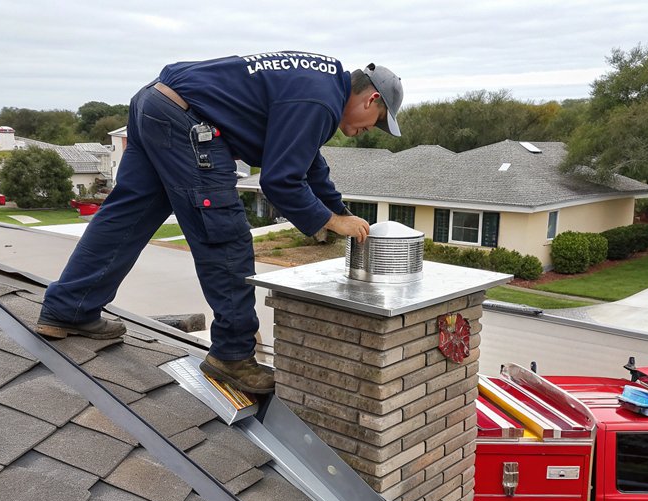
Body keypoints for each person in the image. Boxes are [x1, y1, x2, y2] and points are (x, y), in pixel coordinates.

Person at [36, 51, 404, 395]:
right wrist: (328, 221)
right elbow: (280, 180)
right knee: (225, 233)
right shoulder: (319, 100)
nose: (367, 130)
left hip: (156, 103)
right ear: (371, 100)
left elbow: (309, 164)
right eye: (375, 124)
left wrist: (339, 212)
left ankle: (69, 307)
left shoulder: (319, 86)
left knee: (127, 216)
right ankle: (232, 355)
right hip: (187, 120)